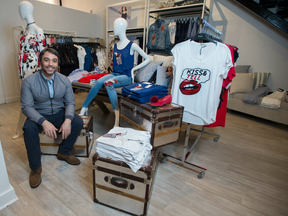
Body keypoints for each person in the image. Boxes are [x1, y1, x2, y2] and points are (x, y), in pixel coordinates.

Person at [21, 48, 84, 188]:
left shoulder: (64, 80)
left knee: (77, 121)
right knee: (28, 129)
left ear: (58, 63)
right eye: (47, 60)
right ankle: (36, 168)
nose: (51, 64)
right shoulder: (29, 82)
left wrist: (67, 120)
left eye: (54, 61)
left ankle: (64, 152)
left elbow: (70, 102)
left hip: (57, 112)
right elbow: (27, 107)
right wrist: (43, 122)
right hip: (38, 115)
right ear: (40, 62)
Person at [79, 18, 150, 127]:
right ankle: (83, 109)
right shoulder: (115, 46)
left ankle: (116, 117)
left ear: (122, 28)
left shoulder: (132, 45)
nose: (113, 28)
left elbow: (148, 59)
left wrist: (133, 70)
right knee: (98, 82)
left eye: (115, 26)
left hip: (126, 76)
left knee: (109, 83)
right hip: (115, 73)